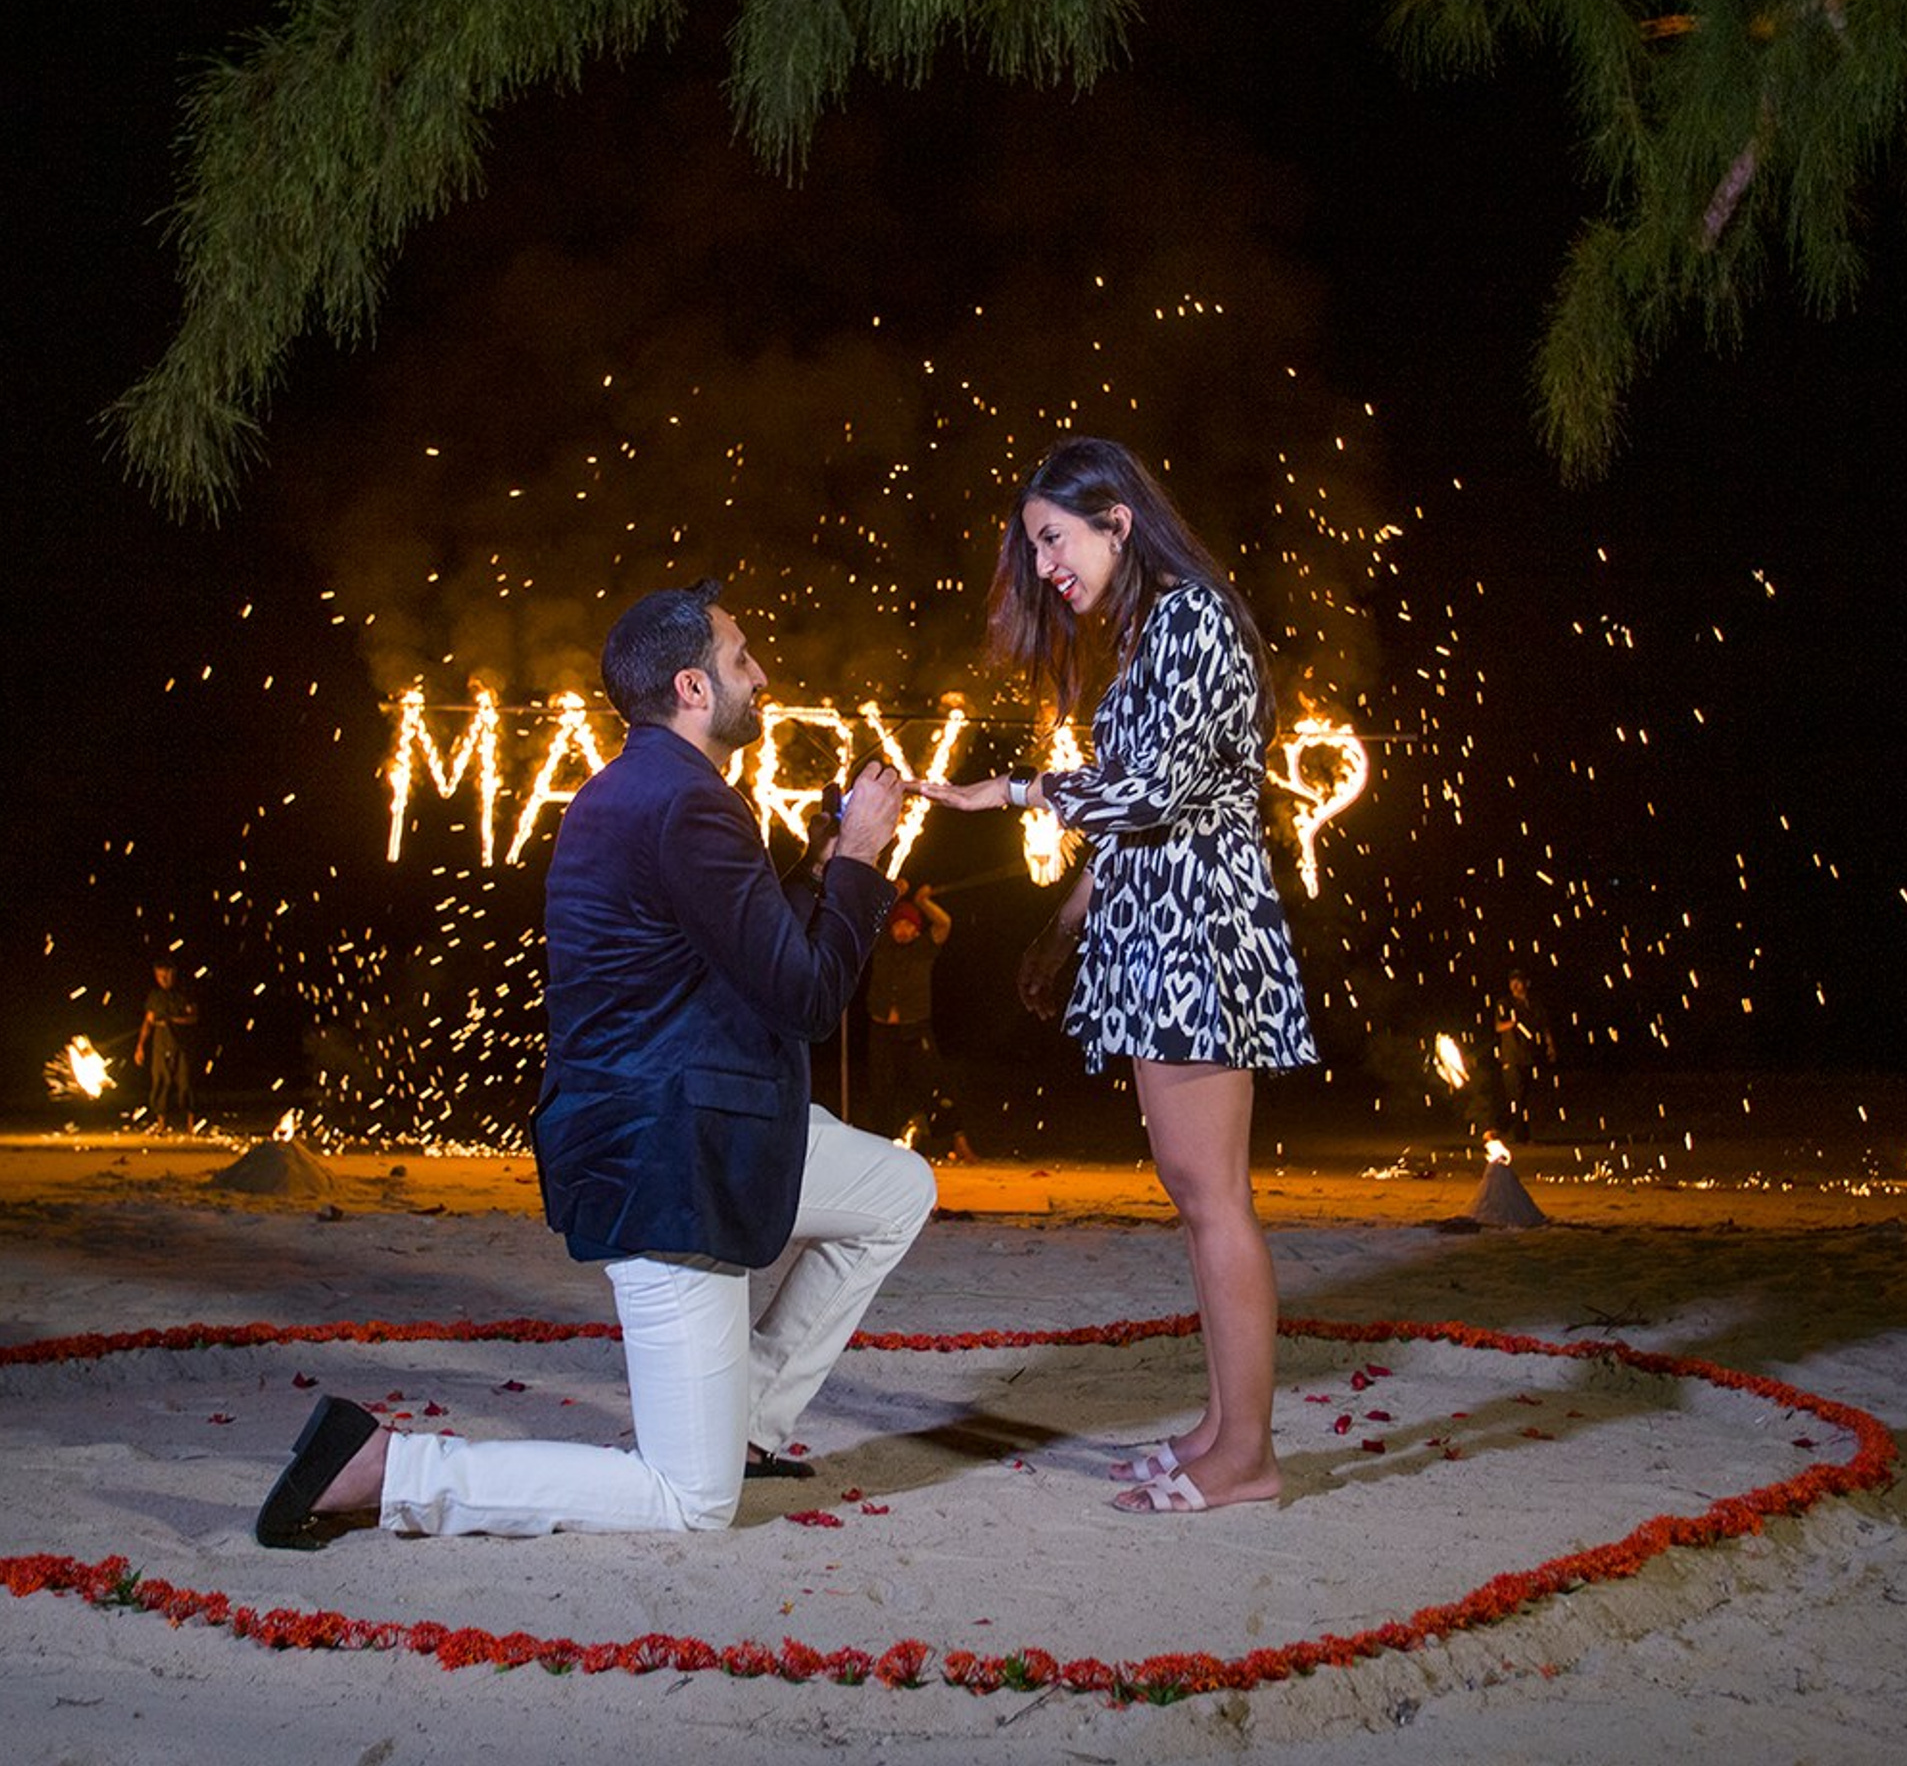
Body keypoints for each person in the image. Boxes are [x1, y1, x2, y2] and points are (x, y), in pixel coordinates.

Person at [256, 580, 937, 1547]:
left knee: (894, 1190)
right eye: (744, 659)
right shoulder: (688, 805)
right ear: (694, 687)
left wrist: (819, 872)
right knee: (688, 1504)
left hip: (700, 1120)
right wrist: (866, 859)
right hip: (666, 1162)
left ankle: (746, 1422)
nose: (764, 674)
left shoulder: (647, 790)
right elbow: (807, 998)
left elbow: (733, 948)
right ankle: (386, 1468)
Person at [914, 435, 1318, 1516]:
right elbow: (1145, 804)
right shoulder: (1151, 637)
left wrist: (1008, 792)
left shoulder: (1191, 617)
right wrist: (1071, 918)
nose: (1047, 565)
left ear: (1117, 520)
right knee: (1198, 1199)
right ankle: (1223, 1432)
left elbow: (1151, 795)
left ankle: (1249, 1460)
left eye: (1055, 538)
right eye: (1036, 546)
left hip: (1198, 932)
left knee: (1213, 1199)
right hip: (1158, 925)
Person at [864, 881, 952, 1143]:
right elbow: (869, 917)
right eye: (898, 924)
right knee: (881, 1089)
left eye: (908, 925)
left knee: (928, 1084)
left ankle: (942, 1139)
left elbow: (944, 924)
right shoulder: (881, 945)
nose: (902, 930)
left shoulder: (924, 948)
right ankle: (881, 1142)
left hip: (915, 1028)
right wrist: (894, 895)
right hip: (881, 1029)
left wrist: (924, 903)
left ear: (916, 930)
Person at [1493, 968, 1557, 1143]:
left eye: (1518, 981)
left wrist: (1550, 1047)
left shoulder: (1535, 1005)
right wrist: (1513, 1023)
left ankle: (1498, 1127)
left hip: (1530, 1056)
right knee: (1517, 1096)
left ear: (1526, 983)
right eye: (1512, 981)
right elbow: (1498, 1026)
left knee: (1523, 1097)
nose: (1515, 985)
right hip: (1511, 1057)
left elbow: (1544, 1028)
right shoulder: (1505, 1003)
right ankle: (1521, 1137)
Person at [134, 960, 197, 1129]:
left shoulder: (184, 994)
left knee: (185, 1083)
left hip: (181, 1046)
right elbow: (147, 1022)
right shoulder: (155, 997)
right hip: (161, 1046)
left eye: (166, 975)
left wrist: (173, 1020)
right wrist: (140, 1046)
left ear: (173, 973)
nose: (163, 979)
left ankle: (191, 1123)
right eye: (159, 976)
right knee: (160, 1082)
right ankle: (161, 1123)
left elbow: (194, 1017)